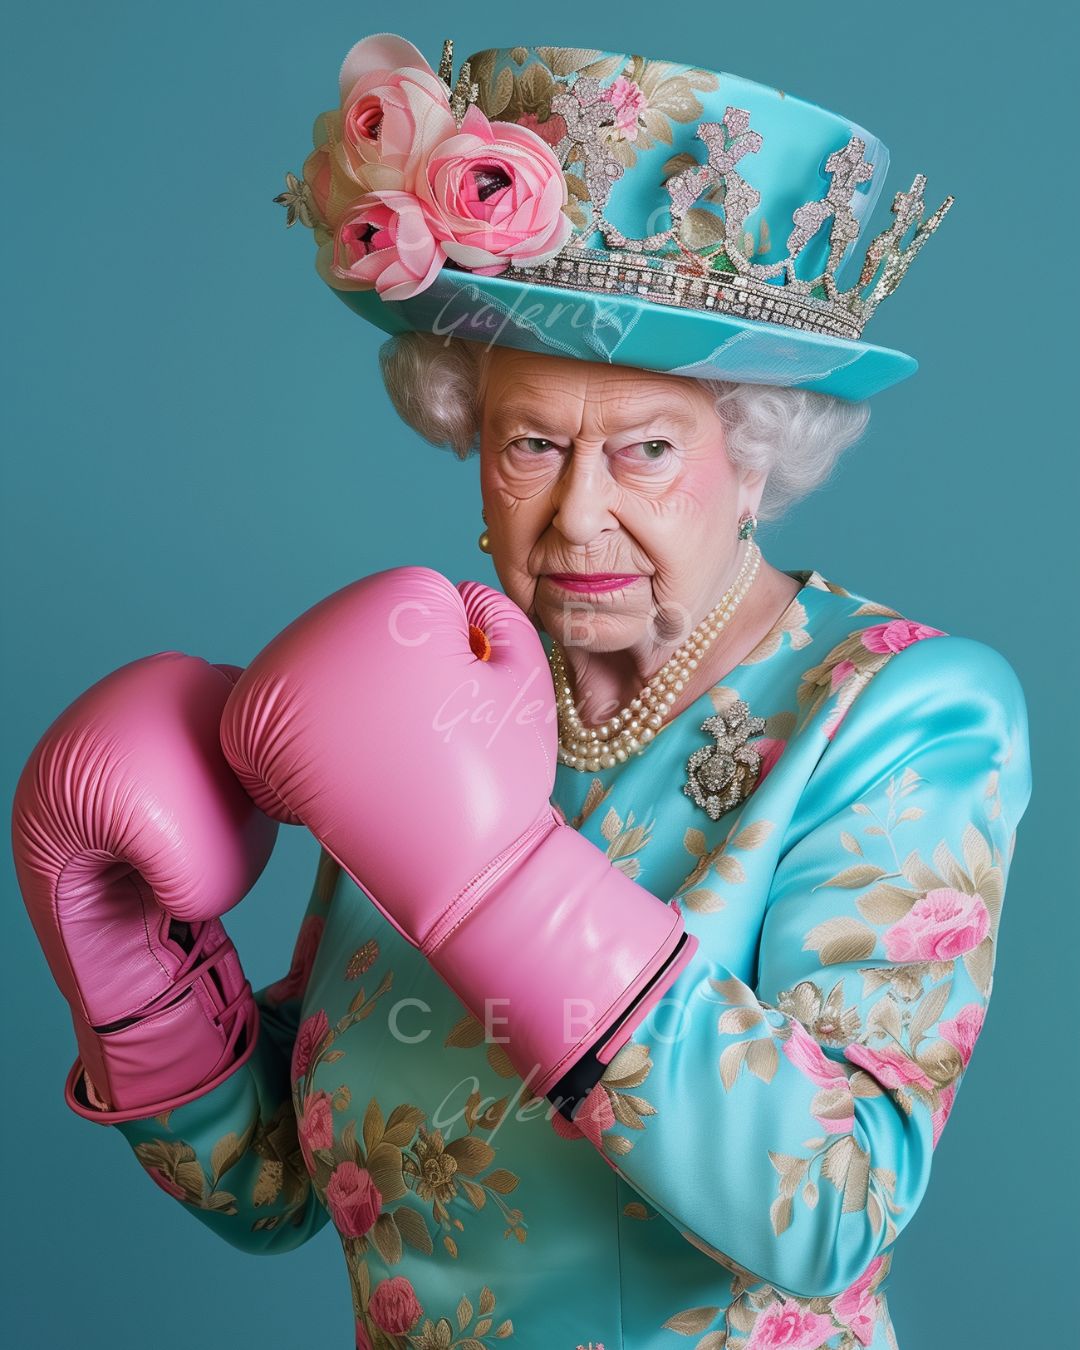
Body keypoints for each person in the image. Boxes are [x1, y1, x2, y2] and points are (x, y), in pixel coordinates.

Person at [11, 32, 1031, 1350]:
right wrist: (126, 962)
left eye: (646, 448)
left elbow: (837, 1209)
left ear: (758, 455)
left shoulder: (897, 710)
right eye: (531, 443)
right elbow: (280, 1185)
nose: (580, 511)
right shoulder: (442, 691)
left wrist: (495, 876)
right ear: (469, 442)